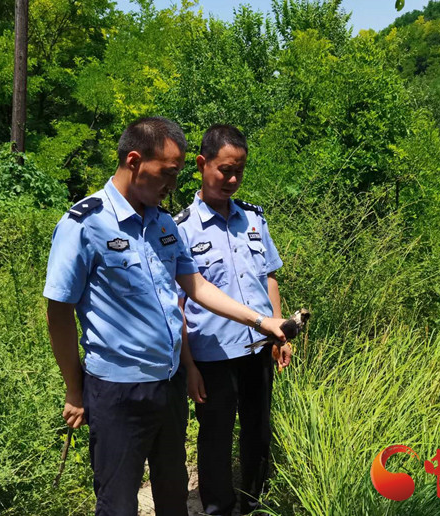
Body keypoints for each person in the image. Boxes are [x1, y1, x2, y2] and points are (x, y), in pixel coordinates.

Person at [43, 117, 287, 516]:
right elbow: (58, 313)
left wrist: (263, 322)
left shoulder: (162, 224)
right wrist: (74, 388)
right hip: (118, 390)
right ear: (134, 161)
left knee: (173, 494)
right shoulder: (85, 225)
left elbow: (197, 287)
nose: (173, 185)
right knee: (118, 502)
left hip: (169, 385)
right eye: (168, 173)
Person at [175, 124, 292, 516]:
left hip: (259, 348)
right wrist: (189, 365)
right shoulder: (181, 228)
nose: (232, 180)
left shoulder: (254, 219)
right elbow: (178, 303)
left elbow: (268, 277)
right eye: (225, 170)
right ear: (201, 164)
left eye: (239, 171)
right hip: (212, 355)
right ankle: (218, 508)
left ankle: (254, 503)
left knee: (258, 430)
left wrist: (279, 331)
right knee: (216, 436)